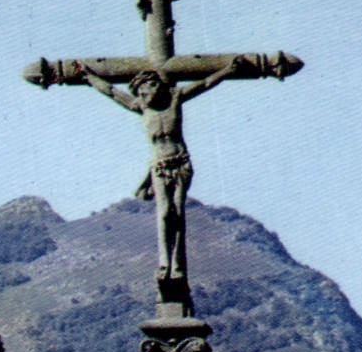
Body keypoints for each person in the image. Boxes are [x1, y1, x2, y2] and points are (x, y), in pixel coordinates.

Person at [80, 58, 264, 282]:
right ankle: (165, 261)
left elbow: (205, 83)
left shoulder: (175, 98)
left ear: (154, 85)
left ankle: (176, 263)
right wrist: (89, 77)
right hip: (159, 166)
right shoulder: (140, 107)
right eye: (139, 93)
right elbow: (111, 91)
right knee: (165, 213)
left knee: (177, 213)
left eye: (145, 90)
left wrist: (227, 70)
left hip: (180, 163)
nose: (143, 96)